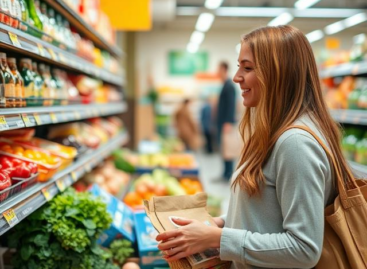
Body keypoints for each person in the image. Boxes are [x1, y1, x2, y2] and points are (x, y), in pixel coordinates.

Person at [156, 25, 353, 268]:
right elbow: (270, 213)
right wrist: (221, 224)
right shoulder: (276, 132)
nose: (237, 76)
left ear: (278, 73)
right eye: (239, 66)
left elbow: (304, 249)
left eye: (247, 68)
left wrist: (219, 238)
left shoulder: (296, 144)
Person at [216, 61, 236, 181]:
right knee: (223, 149)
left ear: (224, 69)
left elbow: (231, 105)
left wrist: (228, 121)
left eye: (218, 69)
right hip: (222, 122)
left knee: (228, 148)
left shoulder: (229, 85)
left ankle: (228, 174)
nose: (217, 72)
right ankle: (225, 173)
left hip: (226, 123)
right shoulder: (225, 85)